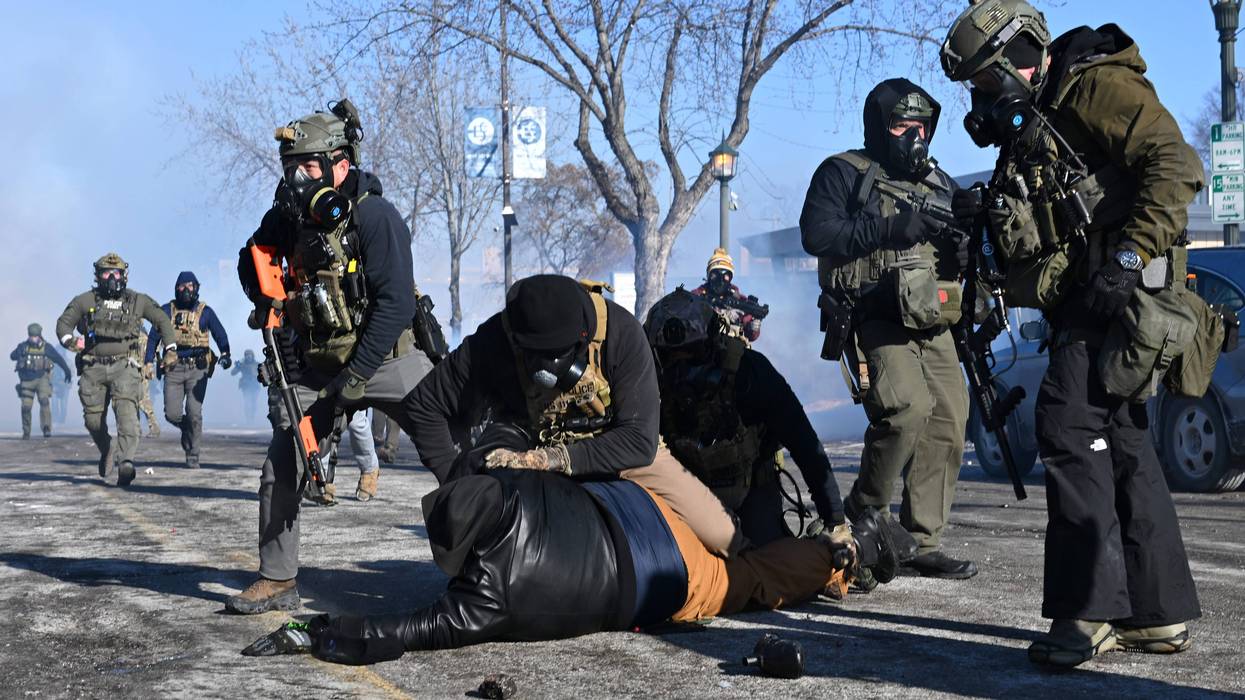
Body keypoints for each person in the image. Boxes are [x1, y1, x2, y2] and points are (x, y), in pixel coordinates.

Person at [942, 1, 1205, 666]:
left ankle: (1085, 616)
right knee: (1120, 443)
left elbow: (1173, 164)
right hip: (1084, 299)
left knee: (1064, 425)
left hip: (1113, 296)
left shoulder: (1093, 86)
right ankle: (1155, 616)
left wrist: (1127, 258)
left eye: (982, 80)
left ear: (1015, 57)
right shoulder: (1043, 113)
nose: (979, 97)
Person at [240, 438, 902, 665]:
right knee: (744, 554)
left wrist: (307, 631)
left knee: (749, 583)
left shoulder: (481, 601)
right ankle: (825, 542)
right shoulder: (516, 482)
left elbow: (394, 633)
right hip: (641, 503)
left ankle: (839, 560)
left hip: (660, 576)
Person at [226, 100, 433, 615]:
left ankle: (486, 563)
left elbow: (395, 305)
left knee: (450, 445)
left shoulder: (376, 216)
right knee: (281, 465)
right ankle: (277, 580)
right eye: (290, 167)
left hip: (387, 358)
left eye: (309, 167)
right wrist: (267, 296)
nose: (297, 177)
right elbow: (249, 261)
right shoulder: (287, 218)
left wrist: (360, 375)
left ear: (341, 164)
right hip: (316, 362)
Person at [404, 274, 741, 557]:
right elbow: (425, 404)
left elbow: (640, 442)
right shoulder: (497, 337)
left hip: (617, 448)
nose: (545, 370)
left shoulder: (620, 334)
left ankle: (748, 558)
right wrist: (456, 485)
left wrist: (554, 458)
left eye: (556, 358)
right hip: (526, 447)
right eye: (535, 357)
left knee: (720, 534)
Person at [799, 78, 975, 580]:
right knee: (905, 409)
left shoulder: (940, 184)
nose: (913, 137)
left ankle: (921, 539)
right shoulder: (842, 173)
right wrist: (887, 229)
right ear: (879, 128)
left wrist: (964, 248)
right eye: (901, 126)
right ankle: (864, 510)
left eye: (921, 127)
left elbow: (959, 247)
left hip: (932, 319)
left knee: (949, 417)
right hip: (874, 314)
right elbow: (817, 233)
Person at [644, 289, 845, 548]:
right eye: (671, 360)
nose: (683, 373)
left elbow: (804, 442)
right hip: (686, 498)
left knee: (768, 567)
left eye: (692, 356)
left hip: (752, 494)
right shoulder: (651, 384)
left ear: (712, 346)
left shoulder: (750, 374)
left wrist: (834, 519)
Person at [56, 253, 177, 486]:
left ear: (124, 275)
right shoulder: (86, 300)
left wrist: (170, 348)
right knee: (92, 421)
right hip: (93, 367)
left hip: (125, 366)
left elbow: (161, 319)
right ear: (98, 275)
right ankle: (107, 448)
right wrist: (72, 341)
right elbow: (63, 324)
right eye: (106, 273)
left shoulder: (137, 301)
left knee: (128, 417)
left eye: (117, 273)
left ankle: (126, 462)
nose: (112, 277)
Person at [145, 272, 231, 468]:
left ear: (196, 288)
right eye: (182, 286)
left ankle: (193, 454)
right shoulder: (167, 310)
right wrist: (148, 361)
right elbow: (153, 338)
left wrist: (226, 353)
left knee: (194, 412)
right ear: (176, 288)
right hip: (173, 368)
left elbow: (220, 334)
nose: (186, 290)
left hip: (197, 369)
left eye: (190, 286)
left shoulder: (205, 312)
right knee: (172, 414)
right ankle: (187, 429)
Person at [11, 323, 73, 438]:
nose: (33, 338)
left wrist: (67, 371)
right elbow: (12, 356)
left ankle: (46, 428)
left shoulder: (46, 347)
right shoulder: (23, 346)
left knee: (44, 401)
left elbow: (58, 359)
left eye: (35, 336)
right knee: (26, 407)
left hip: (42, 379)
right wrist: (18, 353)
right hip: (26, 380)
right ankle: (26, 431)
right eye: (31, 336)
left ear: (39, 336)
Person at [691, 248, 762, 343]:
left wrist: (754, 324)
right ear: (709, 276)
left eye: (725, 276)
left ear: (730, 277)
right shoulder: (696, 297)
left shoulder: (741, 301)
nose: (720, 280)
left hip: (733, 352)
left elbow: (750, 335)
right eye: (715, 275)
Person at [231, 349, 262, 424]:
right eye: (246, 355)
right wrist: (237, 367)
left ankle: (252, 418)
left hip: (255, 386)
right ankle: (249, 420)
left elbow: (262, 373)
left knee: (253, 403)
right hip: (246, 386)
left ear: (252, 356)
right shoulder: (242, 365)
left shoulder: (257, 364)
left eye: (249, 355)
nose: (248, 356)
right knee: (247, 403)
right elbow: (233, 373)